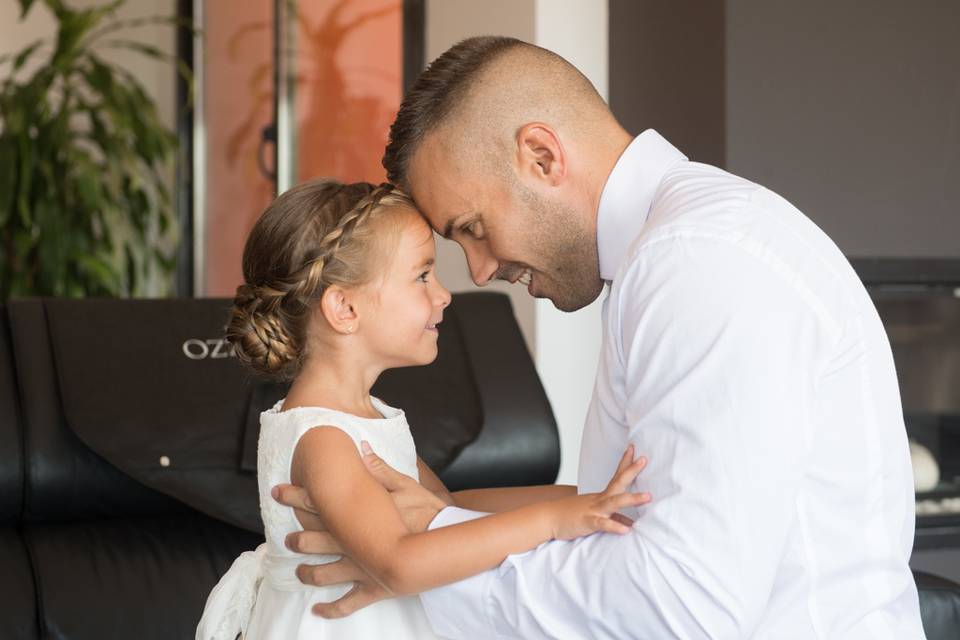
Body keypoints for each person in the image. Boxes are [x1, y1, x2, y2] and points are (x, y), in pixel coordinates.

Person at [273, 36, 927, 638]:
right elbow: (637, 516)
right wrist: (431, 528)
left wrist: (421, 558)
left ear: (542, 156)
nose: (478, 271)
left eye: (472, 227)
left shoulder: (696, 265)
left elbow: (681, 610)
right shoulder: (684, 249)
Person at [194, 179, 651, 640]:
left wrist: (582, 496)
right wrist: (552, 522)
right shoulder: (323, 439)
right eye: (422, 275)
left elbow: (441, 508)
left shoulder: (363, 415)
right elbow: (399, 562)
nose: (444, 294)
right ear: (344, 308)